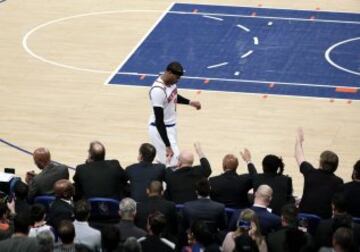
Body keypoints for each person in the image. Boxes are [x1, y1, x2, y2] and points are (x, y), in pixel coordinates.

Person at [148, 61, 201, 167]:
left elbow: (173, 96)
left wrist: (190, 102)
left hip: (171, 126)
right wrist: (167, 145)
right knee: (176, 162)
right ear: (168, 72)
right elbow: (159, 121)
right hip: (160, 129)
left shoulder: (171, 83)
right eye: (176, 77)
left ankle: (157, 175)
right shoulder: (158, 91)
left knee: (164, 160)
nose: (178, 80)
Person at [295, 128, 344, 219]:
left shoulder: (310, 173)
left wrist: (299, 141)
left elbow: (299, 156)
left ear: (320, 162)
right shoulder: (338, 182)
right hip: (323, 220)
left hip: (303, 217)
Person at [241, 149, 294, 215]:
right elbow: (289, 199)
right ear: (277, 168)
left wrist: (248, 161)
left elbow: (253, 173)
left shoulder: (257, 178)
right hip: (279, 215)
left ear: (263, 167)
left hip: (258, 214)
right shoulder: (286, 180)